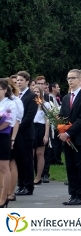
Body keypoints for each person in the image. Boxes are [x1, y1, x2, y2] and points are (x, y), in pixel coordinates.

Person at [58, 69, 81, 205]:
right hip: (67, 139)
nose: (70, 81)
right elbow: (62, 116)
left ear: (79, 80)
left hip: (80, 137)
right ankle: (73, 194)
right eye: (68, 78)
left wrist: (68, 132)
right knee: (70, 166)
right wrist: (61, 128)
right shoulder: (66, 98)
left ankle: (80, 195)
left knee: (80, 166)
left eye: (73, 78)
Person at [12, 71, 36, 197]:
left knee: (27, 160)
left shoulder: (31, 96)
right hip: (16, 134)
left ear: (27, 81)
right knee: (19, 160)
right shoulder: (16, 96)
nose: (19, 82)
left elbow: (29, 116)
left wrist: (16, 127)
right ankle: (21, 184)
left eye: (21, 80)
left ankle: (28, 186)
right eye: (17, 80)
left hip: (25, 133)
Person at [0, 79, 17, 208]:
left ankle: (3, 198)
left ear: (5, 90)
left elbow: (8, 121)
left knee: (4, 167)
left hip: (3, 136)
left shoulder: (10, 104)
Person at [30, 85, 48, 186]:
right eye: (34, 91)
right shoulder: (30, 103)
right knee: (30, 154)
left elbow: (47, 120)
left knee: (39, 153)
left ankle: (38, 176)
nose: (36, 93)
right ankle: (30, 175)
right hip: (32, 127)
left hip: (40, 128)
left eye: (38, 91)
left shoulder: (45, 105)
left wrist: (46, 135)